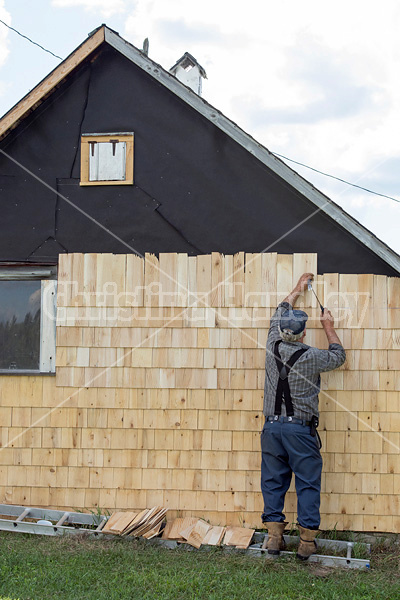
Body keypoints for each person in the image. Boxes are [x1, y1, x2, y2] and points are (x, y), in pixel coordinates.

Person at [261, 272, 346, 560]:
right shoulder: (312, 356)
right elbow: (338, 355)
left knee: (273, 481)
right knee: (307, 483)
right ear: (303, 334)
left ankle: (274, 539)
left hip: (272, 430)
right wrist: (329, 326)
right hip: (300, 432)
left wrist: (297, 290)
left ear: (281, 330)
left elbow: (278, 312)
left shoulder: (272, 344)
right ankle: (306, 543)